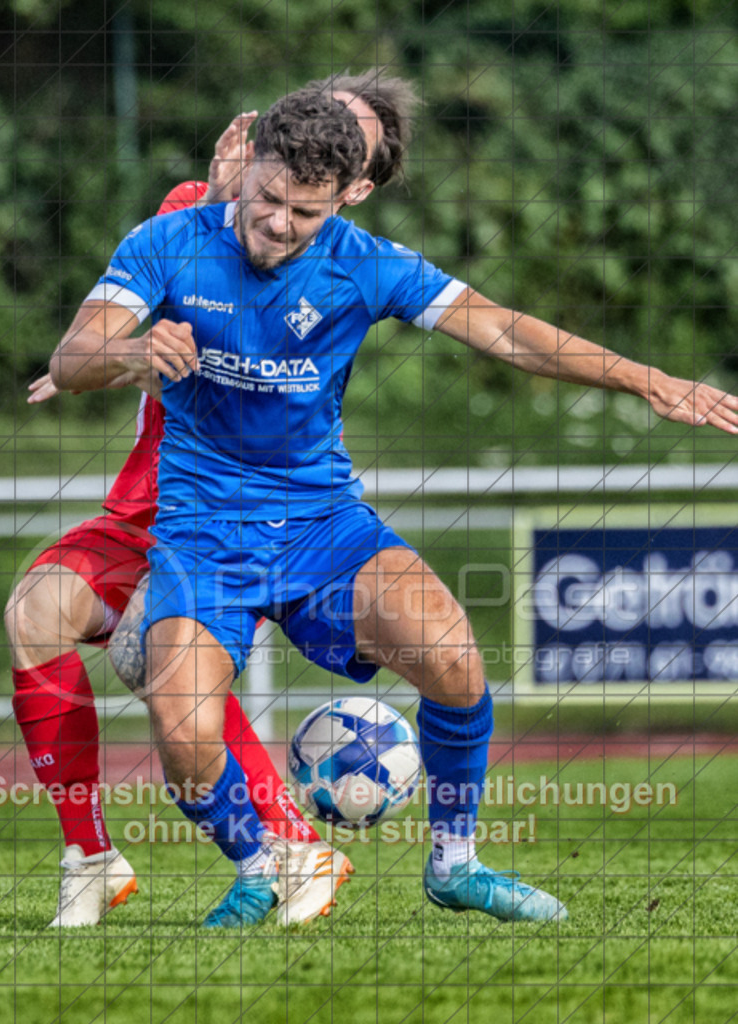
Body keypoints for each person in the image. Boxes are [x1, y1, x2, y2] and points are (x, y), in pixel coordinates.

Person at [48, 72, 738, 930]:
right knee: (181, 731)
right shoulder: (165, 244)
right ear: (250, 162)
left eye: (305, 213)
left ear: (348, 194)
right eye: (267, 200)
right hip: (203, 534)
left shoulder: (363, 264)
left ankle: (455, 864)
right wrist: (134, 353)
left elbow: (504, 329)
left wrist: (645, 379)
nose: (277, 224)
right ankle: (264, 862)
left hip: (324, 525)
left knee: (454, 659)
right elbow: (74, 358)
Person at [7, 80, 397, 928]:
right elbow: (112, 325)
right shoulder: (192, 209)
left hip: (228, 511)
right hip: (140, 501)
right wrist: (102, 355)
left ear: (355, 186)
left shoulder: (345, 261)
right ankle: (92, 857)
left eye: (347, 151)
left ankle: (290, 846)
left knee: (165, 664)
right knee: (35, 612)